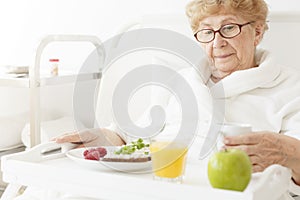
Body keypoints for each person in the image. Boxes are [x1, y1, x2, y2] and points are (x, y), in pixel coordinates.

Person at [16, 0, 300, 199]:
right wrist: (100, 138)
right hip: (153, 187)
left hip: (227, 192)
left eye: (229, 28)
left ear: (258, 31)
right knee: (52, 192)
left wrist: (286, 151)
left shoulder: (289, 88)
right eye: (207, 32)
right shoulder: (180, 80)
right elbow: (131, 137)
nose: (217, 42)